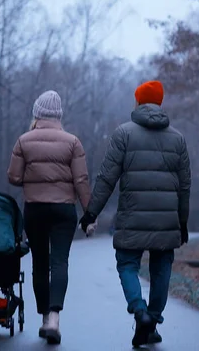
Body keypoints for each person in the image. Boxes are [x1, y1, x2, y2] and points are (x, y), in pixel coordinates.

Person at [79, 80, 191, 348]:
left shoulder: (123, 134)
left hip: (132, 217)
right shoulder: (177, 139)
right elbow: (185, 186)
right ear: (160, 103)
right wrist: (182, 222)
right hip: (166, 220)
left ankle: (140, 312)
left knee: (127, 264)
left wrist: (91, 213)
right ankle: (152, 320)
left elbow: (107, 178)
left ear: (139, 102)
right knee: (162, 267)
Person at [7, 90, 93, 345]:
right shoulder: (73, 142)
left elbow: (13, 177)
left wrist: (33, 178)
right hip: (64, 210)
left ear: (36, 113)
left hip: (35, 209)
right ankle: (55, 317)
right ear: (59, 116)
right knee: (60, 263)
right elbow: (81, 180)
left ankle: (45, 318)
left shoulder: (24, 141)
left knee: (40, 264)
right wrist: (89, 214)